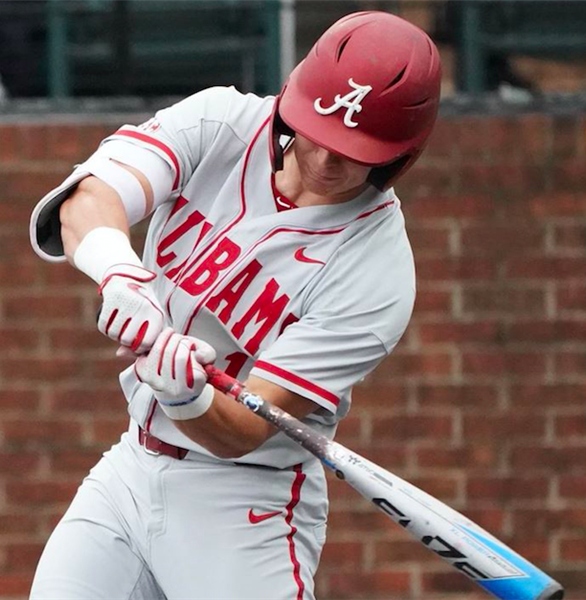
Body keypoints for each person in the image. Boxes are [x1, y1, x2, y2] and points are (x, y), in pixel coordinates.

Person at [27, 11, 440, 600]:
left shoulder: (378, 272)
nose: (324, 161)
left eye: (353, 151)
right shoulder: (220, 121)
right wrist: (120, 275)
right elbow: (89, 198)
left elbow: (245, 429)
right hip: (130, 468)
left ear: (400, 157)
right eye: (317, 133)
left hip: (246, 505)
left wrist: (187, 394)